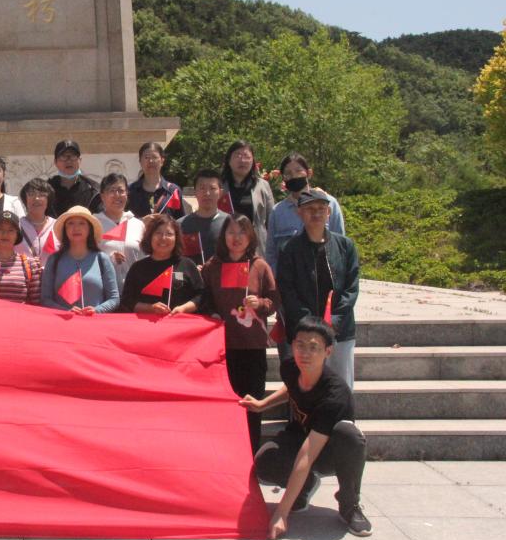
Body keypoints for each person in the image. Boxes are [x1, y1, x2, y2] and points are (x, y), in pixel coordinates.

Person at [239, 317, 371, 539]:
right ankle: (304, 487)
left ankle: (350, 504)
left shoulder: (335, 395)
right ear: (292, 346)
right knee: (264, 462)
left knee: (349, 435)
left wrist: (281, 513)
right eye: (300, 345)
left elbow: (307, 455)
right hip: (299, 435)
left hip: (331, 450)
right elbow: (291, 387)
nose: (305, 353)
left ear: (328, 352)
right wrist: (262, 404)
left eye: (313, 347)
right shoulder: (290, 367)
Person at [200, 214, 280, 452]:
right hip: (221, 347)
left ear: (251, 236)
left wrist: (260, 303)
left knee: (251, 404)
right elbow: (203, 300)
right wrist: (211, 313)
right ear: (223, 236)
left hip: (252, 346)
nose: (236, 238)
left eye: (242, 232)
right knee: (224, 404)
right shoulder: (212, 267)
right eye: (231, 232)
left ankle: (250, 453)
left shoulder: (259, 266)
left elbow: (274, 301)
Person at [277, 190, 360, 388]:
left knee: (341, 386)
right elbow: (287, 291)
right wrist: (311, 325)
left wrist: (334, 321)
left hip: (340, 330)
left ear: (329, 213)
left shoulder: (345, 246)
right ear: (299, 213)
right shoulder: (289, 249)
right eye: (310, 209)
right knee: (306, 386)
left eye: (321, 209)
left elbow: (351, 289)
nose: (316, 213)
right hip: (304, 332)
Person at [266, 152, 346, 273]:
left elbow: (341, 245)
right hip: (288, 279)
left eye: (298, 171)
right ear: (283, 179)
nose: (294, 176)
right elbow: (271, 253)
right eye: (288, 173)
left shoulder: (330, 204)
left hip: (323, 276)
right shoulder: (277, 212)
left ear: (309, 173)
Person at [39, 206, 119, 314]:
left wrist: (97, 310)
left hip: (95, 322)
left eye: (82, 223)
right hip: (62, 322)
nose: (76, 228)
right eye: (70, 223)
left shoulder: (101, 259)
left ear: (90, 229)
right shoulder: (54, 260)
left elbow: (114, 298)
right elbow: (45, 299)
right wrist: (66, 311)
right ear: (65, 229)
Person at [119, 214, 203, 315]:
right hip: (146, 323)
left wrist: (183, 308)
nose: (163, 238)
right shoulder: (137, 268)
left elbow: (201, 296)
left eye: (169, 234)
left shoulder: (187, 265)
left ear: (176, 238)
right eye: (158, 233)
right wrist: (150, 308)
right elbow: (127, 301)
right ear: (150, 237)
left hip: (180, 322)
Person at [221, 140, 275, 257]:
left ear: (253, 161)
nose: (242, 160)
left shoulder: (262, 186)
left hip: (257, 247)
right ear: (229, 160)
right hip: (227, 246)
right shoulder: (220, 187)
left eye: (247, 156)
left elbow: (271, 220)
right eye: (237, 155)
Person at [94, 173, 146, 290]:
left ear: (127, 194)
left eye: (121, 191)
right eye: (111, 191)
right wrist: (109, 259)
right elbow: (86, 258)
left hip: (134, 291)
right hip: (103, 291)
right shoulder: (93, 224)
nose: (117, 195)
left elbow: (145, 259)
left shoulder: (138, 225)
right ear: (102, 196)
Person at [178, 169, 230, 264]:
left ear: (220, 193)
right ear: (195, 192)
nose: (207, 193)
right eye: (202, 188)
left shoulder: (230, 223)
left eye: (212, 188)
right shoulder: (180, 225)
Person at [127, 141, 187, 219]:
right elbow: (123, 220)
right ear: (140, 161)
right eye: (146, 157)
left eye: (154, 157)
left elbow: (180, 221)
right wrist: (142, 221)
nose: (151, 161)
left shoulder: (173, 191)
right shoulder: (130, 191)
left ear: (162, 161)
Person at [48, 140, 102, 216]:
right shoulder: (46, 190)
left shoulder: (94, 190)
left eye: (73, 156)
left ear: (80, 160)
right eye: (63, 156)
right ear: (55, 162)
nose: (68, 161)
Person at [16, 177, 58, 266]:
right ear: (25, 199)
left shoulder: (58, 226)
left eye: (42, 195)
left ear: (48, 199)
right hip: (21, 273)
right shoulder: (15, 226)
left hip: (52, 274)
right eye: (31, 194)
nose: (37, 198)